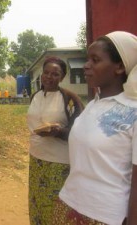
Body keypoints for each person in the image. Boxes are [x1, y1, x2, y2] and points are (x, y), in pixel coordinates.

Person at [53, 31, 137, 225]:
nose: (86, 65)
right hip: (67, 204)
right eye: (87, 59)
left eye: (95, 60)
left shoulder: (133, 112)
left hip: (104, 216)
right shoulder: (94, 104)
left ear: (119, 67)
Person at [27, 57, 84, 224]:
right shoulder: (35, 96)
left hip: (59, 164)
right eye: (46, 73)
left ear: (62, 77)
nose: (49, 77)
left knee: (55, 209)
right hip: (36, 160)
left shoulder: (69, 98)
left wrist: (58, 132)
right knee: (37, 204)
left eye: (55, 74)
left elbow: (80, 132)